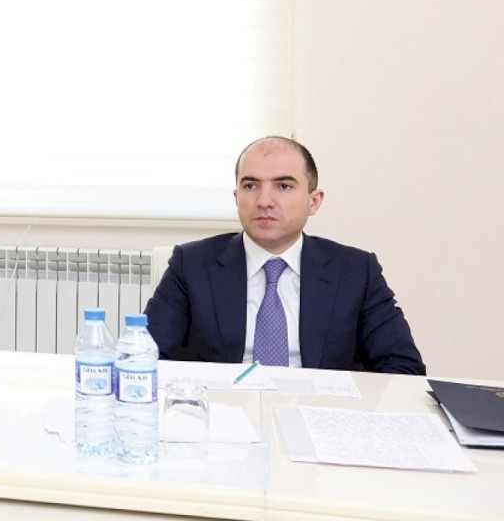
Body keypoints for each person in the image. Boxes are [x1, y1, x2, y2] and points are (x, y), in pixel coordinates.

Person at [144, 136, 425, 374]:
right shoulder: (191, 264)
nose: (264, 201)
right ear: (236, 197)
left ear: (314, 201)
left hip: (318, 412)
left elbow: (403, 368)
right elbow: (144, 358)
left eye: (283, 186)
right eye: (250, 186)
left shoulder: (357, 271)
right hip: (223, 410)